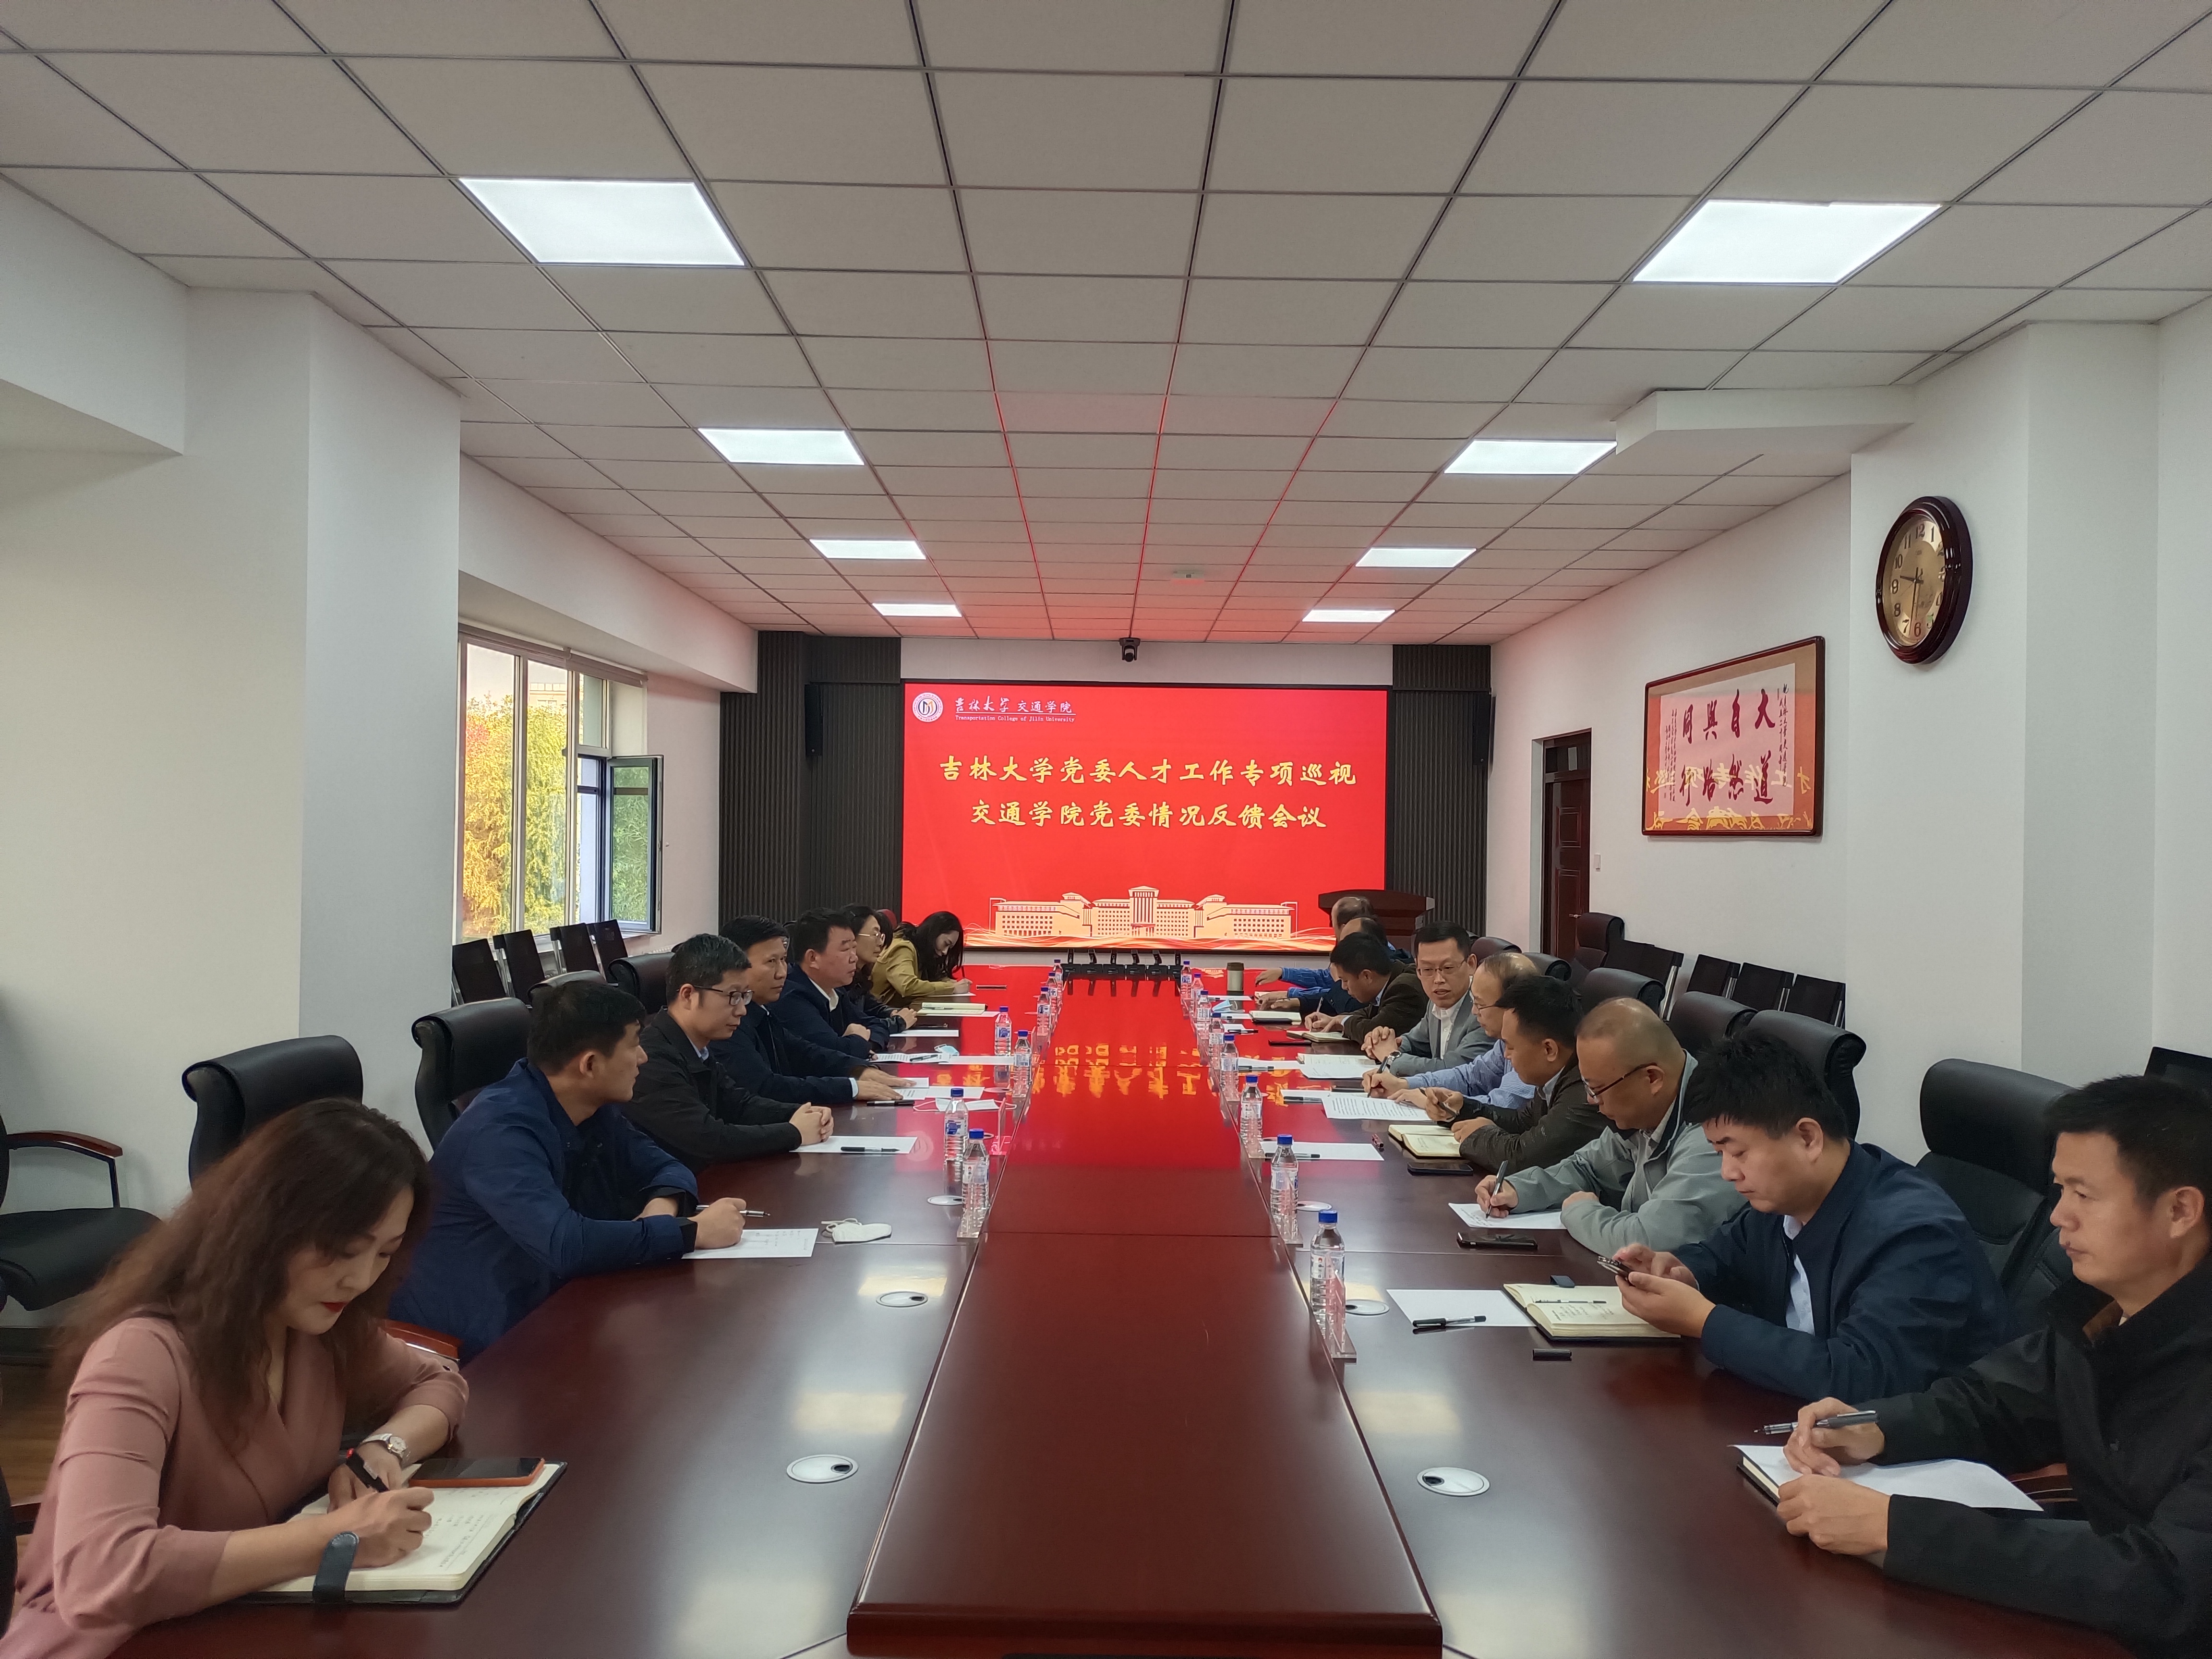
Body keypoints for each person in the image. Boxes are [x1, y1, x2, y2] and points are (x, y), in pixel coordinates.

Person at [7, 1103, 468, 1658]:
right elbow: (99, 1574)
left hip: (244, 1617)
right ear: (264, 1228)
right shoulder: (141, 1354)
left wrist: (384, 1447)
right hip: (114, 1641)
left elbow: (439, 1383)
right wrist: (336, 1538)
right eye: (343, 1251)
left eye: (385, 1253)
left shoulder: (318, 1325)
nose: (361, 1278)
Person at [1777, 1076, 2212, 1659]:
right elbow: (1996, 1402)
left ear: (2180, 1210)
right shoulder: (2102, 1312)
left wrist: (1897, 1528)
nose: (2059, 1218)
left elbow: (2169, 1583)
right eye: (2059, 1191)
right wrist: (1876, 1428)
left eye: (2085, 1195)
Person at [1612, 1032, 2011, 1400]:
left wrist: (1705, 1321)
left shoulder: (1915, 1236)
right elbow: (1723, 1255)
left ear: (1807, 1138)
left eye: (1738, 1152)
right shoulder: (1783, 1202)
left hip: (1915, 1446)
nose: (1728, 1172)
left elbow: (1860, 1375)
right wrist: (1681, 1271)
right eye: (1720, 1154)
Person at [390, 980, 748, 1360]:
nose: (644, 1058)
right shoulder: (499, 1133)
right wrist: (692, 1233)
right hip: (486, 1341)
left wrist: (663, 1209)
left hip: (560, 1300)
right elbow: (566, 1244)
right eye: (634, 1045)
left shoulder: (590, 1106)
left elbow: (667, 1166)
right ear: (590, 1064)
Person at [1472, 998, 1742, 1253]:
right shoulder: (1646, 1112)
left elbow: (1650, 1241)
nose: (1591, 1100)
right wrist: (1519, 1190)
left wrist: (1580, 1211)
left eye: (1597, 1088)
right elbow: (1588, 1168)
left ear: (1652, 1078)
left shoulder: (1713, 1135)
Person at [629, 932, 834, 1168]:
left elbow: (739, 1105)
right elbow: (709, 1139)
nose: (742, 1010)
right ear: (688, 995)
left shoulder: (697, 1048)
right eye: (733, 996)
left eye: (744, 996)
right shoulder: (652, 1060)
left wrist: (801, 1113)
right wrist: (794, 1133)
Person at [715, 916, 903, 1105]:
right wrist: (850, 1087)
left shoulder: (762, 1011)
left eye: (783, 960)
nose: (782, 972)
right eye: (771, 961)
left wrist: (857, 1070)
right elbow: (766, 1087)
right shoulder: (730, 1020)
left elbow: (804, 1053)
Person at [1440, 973, 1607, 1174]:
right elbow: (1522, 1122)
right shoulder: (1557, 1075)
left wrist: (1479, 1135)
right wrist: (1463, 1108)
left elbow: (1521, 1158)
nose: (1506, 1055)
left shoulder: (1585, 1091)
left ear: (1549, 1050)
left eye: (1511, 1046)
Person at [1363, 950, 1541, 1116]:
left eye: (1480, 1005)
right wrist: (1405, 1084)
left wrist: (1438, 1103)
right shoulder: (1504, 1043)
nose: (1474, 1012)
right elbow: (1469, 1077)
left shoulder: (1535, 1047)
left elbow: (1508, 1110)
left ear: (1513, 1007)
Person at [1361, 918, 1492, 1077]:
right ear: (1418, 970)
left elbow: (1454, 1071)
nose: (1438, 980)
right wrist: (1383, 1044)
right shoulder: (1438, 998)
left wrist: (1391, 1056)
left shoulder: (1484, 1010)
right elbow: (1416, 1042)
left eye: (1448, 968)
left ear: (1471, 964)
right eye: (1428, 969)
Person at [773, 908, 879, 1058]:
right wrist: (858, 1041)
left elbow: (873, 1025)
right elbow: (832, 1053)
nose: (854, 958)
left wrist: (860, 1042)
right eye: (846, 949)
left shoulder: (835, 991)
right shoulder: (792, 998)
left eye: (854, 948)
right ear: (813, 958)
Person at [1307, 929, 1424, 1044]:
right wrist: (1335, 1020)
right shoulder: (1388, 982)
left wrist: (1343, 1022)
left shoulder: (1404, 990)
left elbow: (1372, 1033)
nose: (1343, 987)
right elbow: (1369, 1013)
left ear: (1367, 976)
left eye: (1346, 980)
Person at [873, 910, 972, 1010]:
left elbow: (933, 978)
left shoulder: (923, 952)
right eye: (946, 944)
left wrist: (952, 983)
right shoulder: (903, 948)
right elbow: (907, 986)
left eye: (950, 948)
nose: (945, 952)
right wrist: (952, 988)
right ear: (934, 932)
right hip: (881, 1013)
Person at [846, 904, 918, 1030]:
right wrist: (898, 1022)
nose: (880, 943)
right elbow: (858, 1021)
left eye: (881, 937)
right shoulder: (838, 979)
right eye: (875, 935)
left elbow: (871, 1006)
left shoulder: (860, 975)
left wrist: (891, 1013)